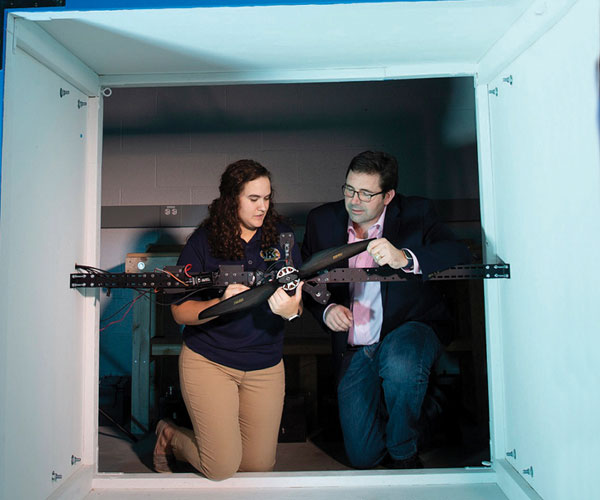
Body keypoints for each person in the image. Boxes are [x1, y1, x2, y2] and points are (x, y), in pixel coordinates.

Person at [301, 150, 471, 469]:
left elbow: (458, 252)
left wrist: (405, 257)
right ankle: (420, 413)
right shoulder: (321, 220)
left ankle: (405, 450)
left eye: (366, 193)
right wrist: (326, 309)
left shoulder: (417, 212)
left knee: (402, 364)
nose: (355, 200)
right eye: (349, 189)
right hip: (356, 346)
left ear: (388, 195)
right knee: (363, 457)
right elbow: (306, 279)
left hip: (409, 329)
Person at [153, 159, 303, 480]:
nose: (262, 207)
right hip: (211, 361)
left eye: (266, 198)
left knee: (257, 466)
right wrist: (219, 303)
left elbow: (297, 299)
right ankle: (169, 437)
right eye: (253, 199)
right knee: (221, 466)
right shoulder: (204, 241)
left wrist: (291, 310)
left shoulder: (283, 237)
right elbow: (179, 310)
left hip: (265, 363)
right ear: (231, 198)